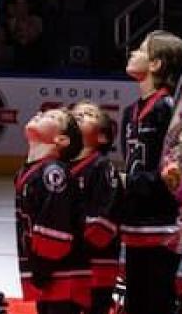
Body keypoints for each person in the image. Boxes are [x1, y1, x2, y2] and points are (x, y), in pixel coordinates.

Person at [120, 30, 182, 314]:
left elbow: (174, 169)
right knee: (135, 297)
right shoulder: (130, 112)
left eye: (140, 49)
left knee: (157, 298)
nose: (132, 53)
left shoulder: (169, 108)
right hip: (135, 221)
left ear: (156, 64)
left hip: (162, 221)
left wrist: (130, 182)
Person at [14, 108, 88, 314]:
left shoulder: (53, 173)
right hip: (50, 275)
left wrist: (41, 272)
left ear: (61, 140)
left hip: (60, 277)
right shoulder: (31, 170)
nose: (39, 113)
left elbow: (55, 232)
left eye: (52, 117)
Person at [69, 101, 124, 314]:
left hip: (95, 266)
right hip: (69, 266)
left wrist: (70, 241)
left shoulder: (102, 167)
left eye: (88, 114)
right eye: (76, 114)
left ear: (102, 136)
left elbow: (104, 222)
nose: (80, 115)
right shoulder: (59, 168)